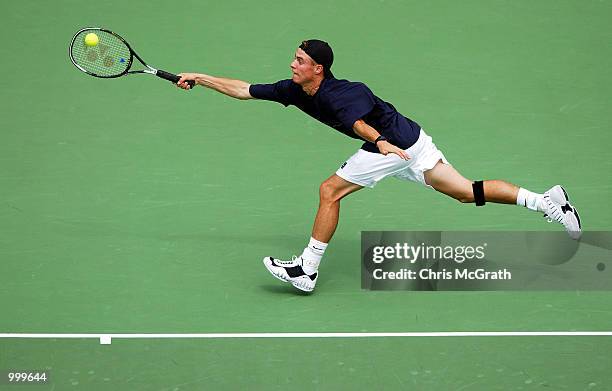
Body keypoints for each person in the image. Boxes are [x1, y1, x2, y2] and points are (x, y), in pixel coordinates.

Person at [176, 39, 582, 293]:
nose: (292, 65)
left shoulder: (342, 93)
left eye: (300, 60)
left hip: (391, 146)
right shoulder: (294, 90)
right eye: (294, 58)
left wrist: (381, 143)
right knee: (464, 192)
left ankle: (307, 268)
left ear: (319, 67)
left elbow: (357, 122)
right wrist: (200, 77)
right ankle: (546, 201)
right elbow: (244, 90)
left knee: (329, 190)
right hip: (413, 141)